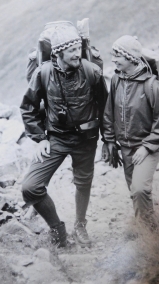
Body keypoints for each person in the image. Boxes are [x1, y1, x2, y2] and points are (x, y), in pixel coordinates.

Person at [20, 24, 108, 248]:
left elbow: (105, 108)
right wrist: (40, 139)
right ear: (58, 53)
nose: (77, 53)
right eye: (71, 50)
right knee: (30, 187)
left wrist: (108, 140)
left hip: (86, 140)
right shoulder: (44, 73)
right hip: (55, 139)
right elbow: (28, 106)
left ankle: (80, 225)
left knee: (83, 183)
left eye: (79, 47)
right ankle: (58, 229)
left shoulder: (92, 71)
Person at [102, 35, 159, 226]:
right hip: (125, 146)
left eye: (117, 55)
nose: (113, 59)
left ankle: (144, 234)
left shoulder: (152, 85)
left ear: (131, 58)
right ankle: (150, 231)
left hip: (147, 147)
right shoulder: (116, 80)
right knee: (135, 191)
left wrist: (147, 147)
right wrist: (109, 141)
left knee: (140, 189)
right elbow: (109, 112)